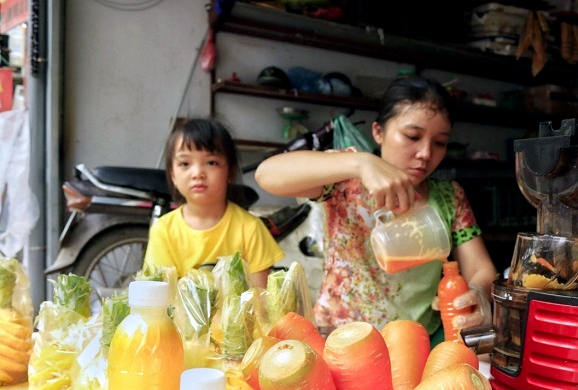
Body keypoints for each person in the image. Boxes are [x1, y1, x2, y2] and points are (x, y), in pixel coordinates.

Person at [255, 76, 499, 339]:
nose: (426, 153)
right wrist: (360, 163)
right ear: (378, 132)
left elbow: (480, 269)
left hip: (413, 343)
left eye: (440, 142)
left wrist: (477, 293)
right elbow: (267, 174)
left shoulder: (449, 197)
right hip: (340, 338)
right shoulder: (345, 179)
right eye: (412, 136)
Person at [143, 118, 284, 287]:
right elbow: (159, 298)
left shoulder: (251, 228)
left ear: (230, 172)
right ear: (173, 175)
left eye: (211, 162)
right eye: (185, 163)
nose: (197, 173)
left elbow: (260, 299)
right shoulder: (163, 230)